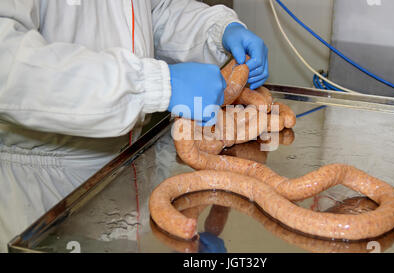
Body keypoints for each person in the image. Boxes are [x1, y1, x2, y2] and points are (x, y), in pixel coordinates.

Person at [0, 0, 269, 252]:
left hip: (127, 169)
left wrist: (217, 30)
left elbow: (153, 12)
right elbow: (7, 60)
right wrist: (150, 84)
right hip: (44, 195)